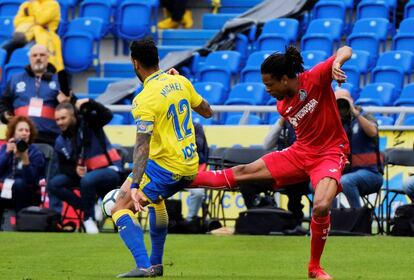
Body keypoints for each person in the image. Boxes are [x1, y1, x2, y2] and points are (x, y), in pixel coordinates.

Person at [191, 45, 353, 280]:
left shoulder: (316, 78)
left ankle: (314, 267)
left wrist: (337, 63)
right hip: (300, 153)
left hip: (329, 152)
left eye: (269, 84)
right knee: (244, 171)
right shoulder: (282, 105)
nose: (267, 90)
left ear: (286, 79)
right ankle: (182, 179)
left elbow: (345, 49)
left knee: (320, 205)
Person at [110, 38, 212, 278]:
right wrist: (182, 86)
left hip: (167, 167)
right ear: (158, 60)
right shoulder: (181, 81)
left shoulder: (143, 100)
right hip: (189, 163)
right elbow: (208, 111)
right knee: (156, 201)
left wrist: (135, 185)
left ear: (135, 63)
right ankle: (156, 265)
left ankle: (144, 265)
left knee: (118, 208)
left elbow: (141, 145)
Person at [47, 100, 122, 234]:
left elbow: (107, 115)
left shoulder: (89, 124)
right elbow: (63, 167)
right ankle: (90, 206)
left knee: (87, 180)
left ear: (73, 115)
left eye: (63, 118)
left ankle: (88, 218)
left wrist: (89, 102)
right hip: (85, 177)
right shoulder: (60, 140)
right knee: (54, 184)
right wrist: (74, 170)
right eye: (57, 119)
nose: (59, 122)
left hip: (110, 171)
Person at [0, 44, 72, 145]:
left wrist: (66, 103)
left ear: (48, 58)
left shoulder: (60, 80)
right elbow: (4, 102)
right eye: (35, 55)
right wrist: (5, 114)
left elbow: (71, 109)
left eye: (42, 55)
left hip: (50, 138)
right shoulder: (15, 79)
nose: (38, 58)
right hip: (21, 138)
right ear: (29, 58)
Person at [335, 88, 384, 208]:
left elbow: (373, 132)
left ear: (352, 100)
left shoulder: (365, 115)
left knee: (346, 181)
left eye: (344, 100)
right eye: (336, 101)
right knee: (316, 183)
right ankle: (340, 215)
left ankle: (358, 218)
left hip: (371, 173)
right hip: (348, 173)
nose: (341, 104)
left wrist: (355, 113)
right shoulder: (336, 121)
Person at [0, 116, 45, 220]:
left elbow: (32, 180)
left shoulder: (36, 153)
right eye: (21, 130)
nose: (24, 133)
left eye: (27, 130)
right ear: (13, 134)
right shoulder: (5, 148)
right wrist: (7, 153)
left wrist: (25, 160)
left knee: (19, 183)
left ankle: (22, 222)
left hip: (27, 193)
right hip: (5, 192)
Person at [2, 0, 64, 71]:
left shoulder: (52, 4)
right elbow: (16, 22)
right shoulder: (26, 4)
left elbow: (41, 19)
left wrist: (34, 4)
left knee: (25, 54)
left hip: (43, 36)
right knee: (4, 50)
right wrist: (33, 20)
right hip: (25, 35)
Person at [185, 122, 208, 222]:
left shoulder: (195, 127)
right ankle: (161, 222)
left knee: (198, 192)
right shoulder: (166, 126)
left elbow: (198, 146)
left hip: (191, 173)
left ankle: (190, 221)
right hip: (168, 173)